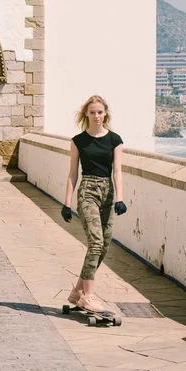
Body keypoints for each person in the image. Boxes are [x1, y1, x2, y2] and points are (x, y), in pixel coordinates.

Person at [61, 95, 127, 313]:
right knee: (96, 244)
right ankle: (88, 297)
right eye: (92, 112)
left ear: (105, 113)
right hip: (87, 191)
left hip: (107, 193)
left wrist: (119, 198)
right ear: (86, 114)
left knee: (104, 247)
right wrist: (67, 203)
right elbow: (72, 173)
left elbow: (117, 171)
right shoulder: (78, 141)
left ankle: (76, 292)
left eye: (100, 112)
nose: (96, 116)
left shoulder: (115, 140)